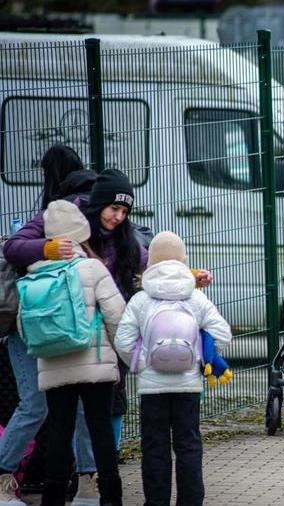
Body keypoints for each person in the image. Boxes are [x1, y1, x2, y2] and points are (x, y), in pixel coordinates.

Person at [0, 145, 102, 506]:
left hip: (60, 327)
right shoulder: (54, 219)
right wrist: (49, 248)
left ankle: (86, 481)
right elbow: (15, 248)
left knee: (52, 404)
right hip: (40, 326)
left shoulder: (69, 213)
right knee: (47, 405)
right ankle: (85, 482)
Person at [114, 231, 232, 506]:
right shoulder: (195, 298)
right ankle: (190, 501)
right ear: (183, 261)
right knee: (188, 443)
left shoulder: (141, 300)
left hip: (151, 387)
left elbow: (123, 340)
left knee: (154, 446)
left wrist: (143, 363)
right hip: (187, 384)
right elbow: (223, 334)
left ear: (150, 264)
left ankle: (156, 502)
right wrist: (200, 359)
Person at [26, 200, 126, 506]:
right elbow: (116, 316)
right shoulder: (92, 268)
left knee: (59, 431)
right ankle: (110, 497)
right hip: (94, 362)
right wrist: (124, 358)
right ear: (81, 233)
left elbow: (24, 322)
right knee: (100, 430)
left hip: (54, 363)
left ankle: (52, 499)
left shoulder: (35, 271)